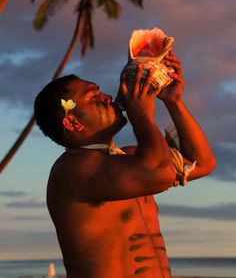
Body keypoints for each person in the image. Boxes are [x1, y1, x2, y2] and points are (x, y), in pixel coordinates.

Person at [34, 51, 216, 278]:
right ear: (72, 121)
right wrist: (141, 116)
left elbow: (204, 163)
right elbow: (159, 173)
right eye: (94, 96)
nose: (108, 97)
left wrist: (173, 102)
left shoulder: (128, 159)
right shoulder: (72, 171)